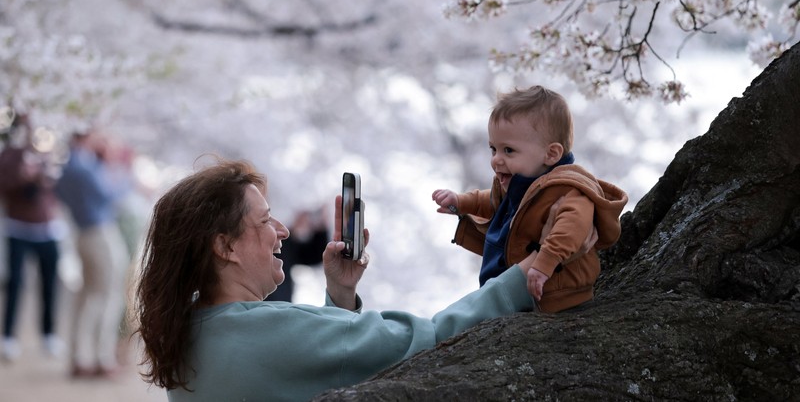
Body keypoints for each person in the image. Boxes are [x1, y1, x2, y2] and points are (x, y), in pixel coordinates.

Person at [134, 158, 562, 402]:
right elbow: (430, 339)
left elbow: (287, 367)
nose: (282, 231)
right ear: (224, 247)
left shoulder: (190, 332)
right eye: (265, 220)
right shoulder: (267, 330)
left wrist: (339, 297)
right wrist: (523, 275)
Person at [432, 85, 628, 313]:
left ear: (551, 154)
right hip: (512, 289)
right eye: (493, 149)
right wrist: (461, 201)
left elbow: (573, 228)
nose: (496, 159)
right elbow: (493, 202)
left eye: (508, 150)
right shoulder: (520, 182)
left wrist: (543, 265)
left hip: (555, 296)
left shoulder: (567, 188)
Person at [55, 130, 132, 378]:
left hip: (82, 233)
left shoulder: (68, 167)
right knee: (106, 295)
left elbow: (59, 193)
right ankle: (101, 357)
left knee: (87, 295)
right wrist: (121, 171)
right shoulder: (86, 167)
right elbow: (111, 193)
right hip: (99, 233)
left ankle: (80, 356)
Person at [0, 113, 67, 361]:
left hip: (47, 228)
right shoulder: (8, 156)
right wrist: (23, 175)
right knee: (15, 283)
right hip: (18, 227)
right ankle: (8, 336)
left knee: (50, 284)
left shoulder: (46, 154)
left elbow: (56, 185)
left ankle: (49, 334)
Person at [265, 206, 329, 302]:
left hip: (282, 305)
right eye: (265, 220)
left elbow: (311, 256)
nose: (284, 231)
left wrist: (320, 226)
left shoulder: (284, 243)